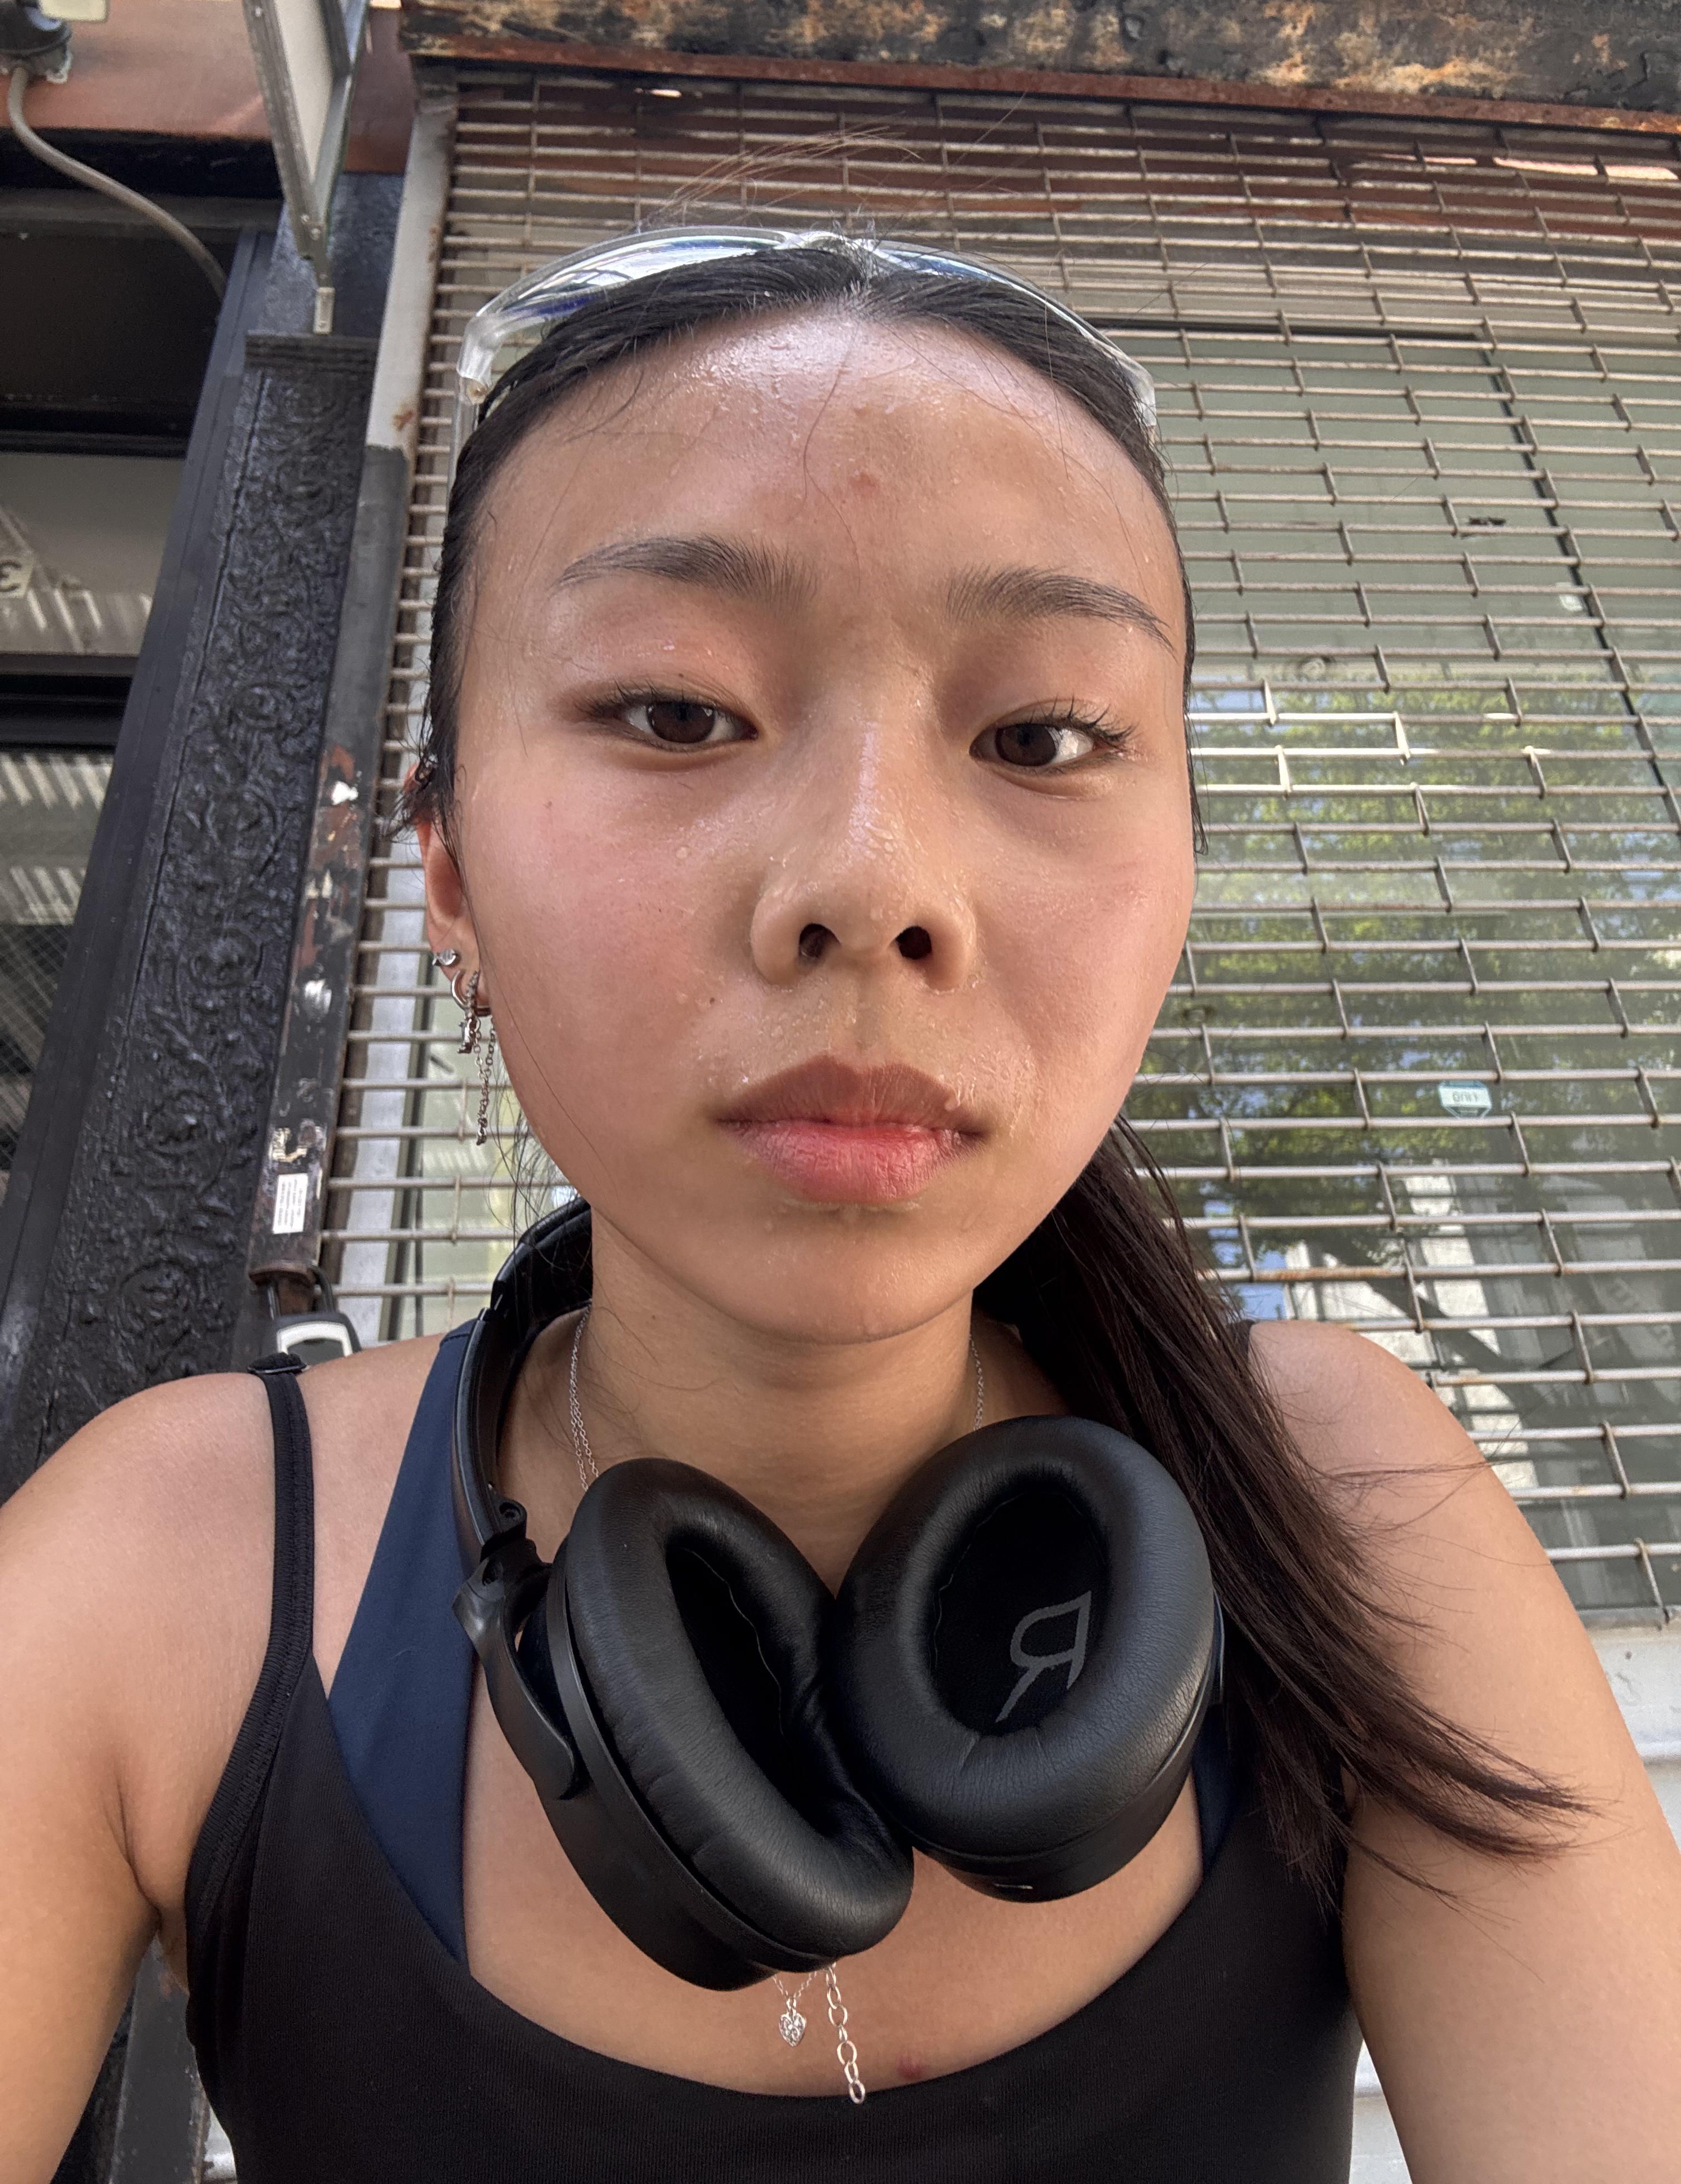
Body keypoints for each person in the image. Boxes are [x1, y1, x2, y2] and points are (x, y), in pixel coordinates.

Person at [3, 227, 1678, 2184]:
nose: (875, 881)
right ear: (443, 872)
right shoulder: (162, 1582)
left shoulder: (1349, 1506)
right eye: (675, 712)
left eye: (1043, 737)